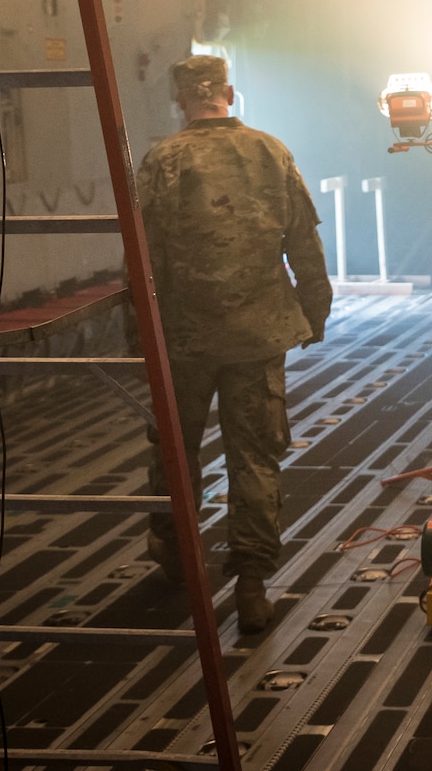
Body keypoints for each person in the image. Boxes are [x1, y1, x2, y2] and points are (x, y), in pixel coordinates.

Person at [137, 55, 332, 632]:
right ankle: (250, 586)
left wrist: (140, 340)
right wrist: (313, 313)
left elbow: (141, 259)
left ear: (179, 101)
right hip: (257, 335)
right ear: (229, 91)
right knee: (254, 457)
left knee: (175, 450)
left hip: (182, 340)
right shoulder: (271, 151)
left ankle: (176, 555)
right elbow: (304, 242)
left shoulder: (162, 161)